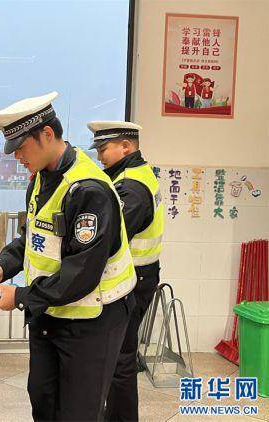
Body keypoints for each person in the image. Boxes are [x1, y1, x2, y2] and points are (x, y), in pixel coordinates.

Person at [0, 92, 136, 421]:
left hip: (93, 319)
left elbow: (83, 272)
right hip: (50, 312)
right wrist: (2, 265)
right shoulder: (41, 179)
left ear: (47, 134)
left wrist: (18, 296)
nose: (17, 156)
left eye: (21, 147)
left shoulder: (88, 190)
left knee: (78, 412)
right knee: (43, 401)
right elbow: (33, 236)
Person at [89, 121, 164, 422]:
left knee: (120, 359)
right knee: (121, 355)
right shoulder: (135, 174)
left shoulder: (131, 186)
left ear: (125, 146)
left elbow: (111, 237)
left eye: (103, 149)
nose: (99, 156)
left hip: (134, 281)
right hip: (141, 275)